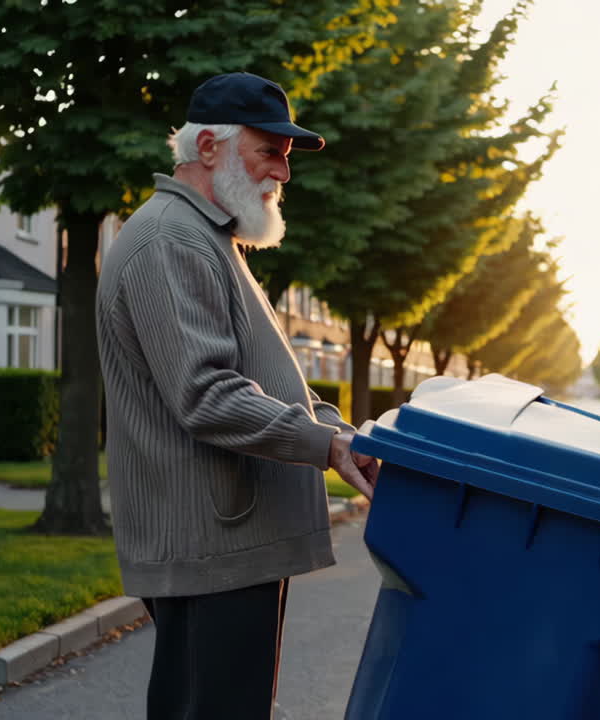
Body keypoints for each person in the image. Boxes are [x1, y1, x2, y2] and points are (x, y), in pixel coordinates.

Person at [96, 72, 379, 719]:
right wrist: (325, 443)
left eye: (286, 155)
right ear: (208, 149)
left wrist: (346, 433)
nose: (283, 171)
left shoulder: (203, 235)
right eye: (269, 151)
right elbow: (207, 393)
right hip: (212, 543)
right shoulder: (172, 239)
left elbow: (259, 375)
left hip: (224, 539)